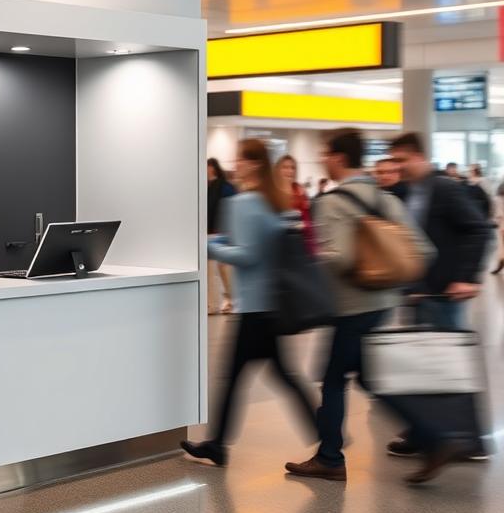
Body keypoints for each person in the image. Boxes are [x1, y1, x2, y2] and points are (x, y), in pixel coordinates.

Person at [284, 130, 451, 484]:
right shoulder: (385, 198)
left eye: (325, 152)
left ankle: (333, 457)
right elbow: (425, 251)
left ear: (339, 158)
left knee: (334, 379)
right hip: (384, 303)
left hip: (350, 306)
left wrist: (312, 258)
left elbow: (339, 257)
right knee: (366, 376)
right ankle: (430, 436)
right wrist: (389, 274)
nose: (322, 158)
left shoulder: (330, 203)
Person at [182, 139, 318, 467]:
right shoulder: (275, 200)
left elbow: (247, 254)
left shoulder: (244, 203)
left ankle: (219, 445)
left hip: (255, 308)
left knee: (239, 375)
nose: (235, 164)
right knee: (277, 375)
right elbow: (242, 242)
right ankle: (324, 433)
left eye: (240, 158)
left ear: (254, 163)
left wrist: (206, 248)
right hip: (273, 304)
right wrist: (212, 241)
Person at [388, 133, 489, 331]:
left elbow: (478, 228)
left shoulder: (444, 188)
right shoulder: (408, 192)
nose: (397, 166)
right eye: (394, 161)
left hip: (443, 295)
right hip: (417, 294)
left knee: (446, 354)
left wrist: (466, 278)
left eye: (402, 160)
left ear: (419, 157)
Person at [206, 158, 236, 314]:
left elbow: (230, 210)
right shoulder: (206, 187)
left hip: (222, 233)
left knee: (224, 268)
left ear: (212, 168)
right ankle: (212, 304)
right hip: (210, 233)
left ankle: (231, 300)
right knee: (211, 270)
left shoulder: (225, 187)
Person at [276, 154, 315, 254]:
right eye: (285, 167)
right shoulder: (273, 192)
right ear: (277, 170)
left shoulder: (300, 191)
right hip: (277, 244)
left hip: (299, 244)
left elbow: (307, 221)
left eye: (292, 168)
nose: (290, 171)